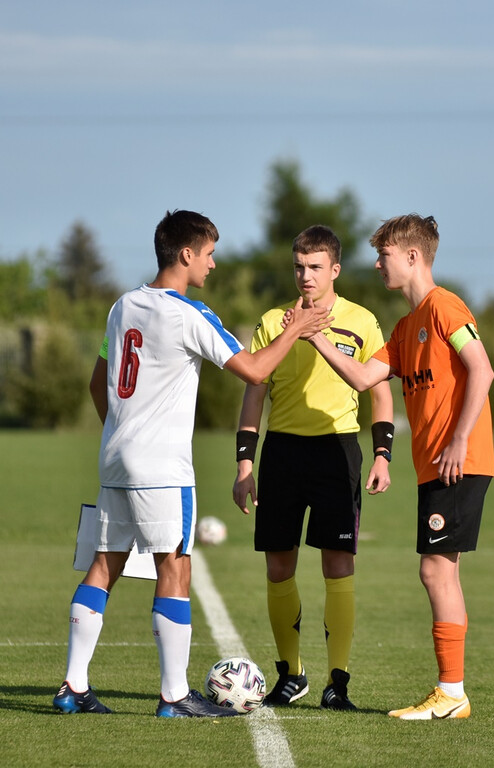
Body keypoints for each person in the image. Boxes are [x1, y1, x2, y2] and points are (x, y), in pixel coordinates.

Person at [53, 210, 330, 718]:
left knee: (103, 565)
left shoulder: (123, 306)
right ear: (186, 255)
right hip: (162, 469)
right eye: (208, 254)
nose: (214, 263)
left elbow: (99, 383)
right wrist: (298, 329)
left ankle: (73, 687)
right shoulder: (189, 314)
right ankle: (174, 696)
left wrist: (121, 433)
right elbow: (254, 370)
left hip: (115, 459)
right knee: (175, 567)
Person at [302, 214, 494, 720]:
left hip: (458, 460)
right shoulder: (407, 328)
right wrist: (316, 339)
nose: (377, 262)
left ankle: (451, 693)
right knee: (437, 572)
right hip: (437, 466)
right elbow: (366, 378)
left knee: (436, 572)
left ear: (412, 257)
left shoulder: (443, 307)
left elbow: (482, 367)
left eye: (384, 254)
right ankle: (450, 692)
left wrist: (457, 440)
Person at [232, 224, 394, 711]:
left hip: (337, 452)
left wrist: (383, 453)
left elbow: (380, 391)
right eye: (299, 266)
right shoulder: (272, 321)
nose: (305, 275)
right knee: (279, 565)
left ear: (335, 270)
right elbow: (253, 396)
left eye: (316, 267)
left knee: (337, 564)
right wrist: (245, 464)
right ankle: (291, 673)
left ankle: (337, 682)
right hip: (281, 453)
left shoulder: (361, 321)